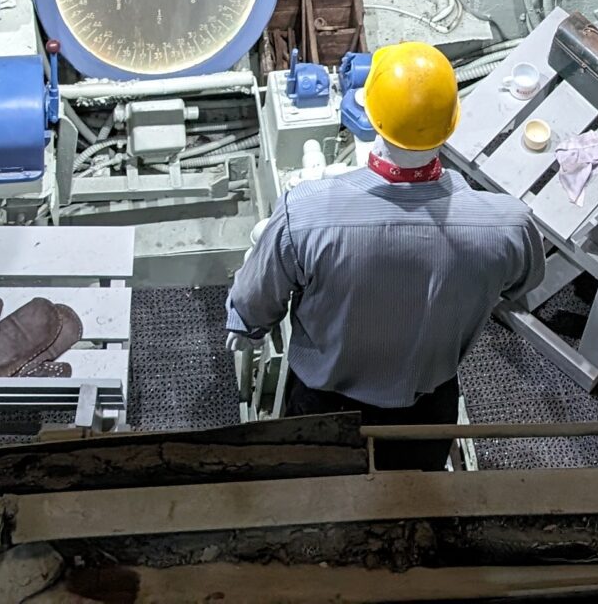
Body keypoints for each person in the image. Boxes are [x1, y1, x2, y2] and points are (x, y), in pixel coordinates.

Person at [226, 41, 541, 469]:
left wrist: (247, 326)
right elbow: (520, 284)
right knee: (413, 484)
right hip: (428, 406)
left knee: (316, 476)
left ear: (371, 116)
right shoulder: (508, 225)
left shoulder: (306, 212)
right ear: (451, 124)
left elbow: (253, 303)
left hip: (325, 402)